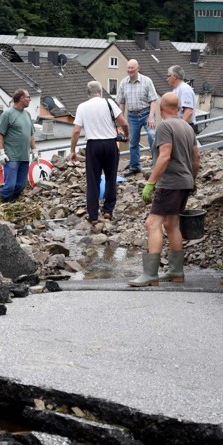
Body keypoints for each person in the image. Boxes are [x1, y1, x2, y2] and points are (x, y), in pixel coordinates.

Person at [129, 92, 201, 287]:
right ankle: (176, 271)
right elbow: (197, 158)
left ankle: (150, 274)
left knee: (152, 223)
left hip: (170, 183)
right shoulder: (187, 127)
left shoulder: (164, 126)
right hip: (185, 182)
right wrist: (192, 180)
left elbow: (165, 155)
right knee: (171, 224)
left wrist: (151, 182)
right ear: (178, 109)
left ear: (161, 110)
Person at [70, 81, 129, 222]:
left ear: (88, 93)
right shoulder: (109, 103)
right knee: (111, 177)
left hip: (93, 145)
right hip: (110, 143)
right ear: (101, 91)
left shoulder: (82, 107)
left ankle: (93, 215)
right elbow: (124, 123)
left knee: (93, 181)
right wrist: (126, 136)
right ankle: (108, 210)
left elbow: (76, 131)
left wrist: (72, 150)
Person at [114, 59, 159, 175]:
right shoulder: (123, 83)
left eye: (132, 68)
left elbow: (153, 100)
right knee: (133, 141)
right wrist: (121, 120)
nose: (130, 70)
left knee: (152, 136)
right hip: (132, 115)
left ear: (138, 68)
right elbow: (121, 103)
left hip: (146, 113)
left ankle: (157, 163)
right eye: (128, 68)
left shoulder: (147, 81)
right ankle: (135, 167)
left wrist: (151, 117)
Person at [0, 88, 38, 203]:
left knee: (20, 185)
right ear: (21, 99)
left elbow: (31, 134)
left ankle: (12, 203)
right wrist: (0, 152)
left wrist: (35, 150)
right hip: (12, 156)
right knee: (10, 185)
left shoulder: (27, 114)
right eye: (28, 97)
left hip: (24, 156)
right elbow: (0, 134)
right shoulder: (7, 114)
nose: (29, 99)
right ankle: (2, 204)